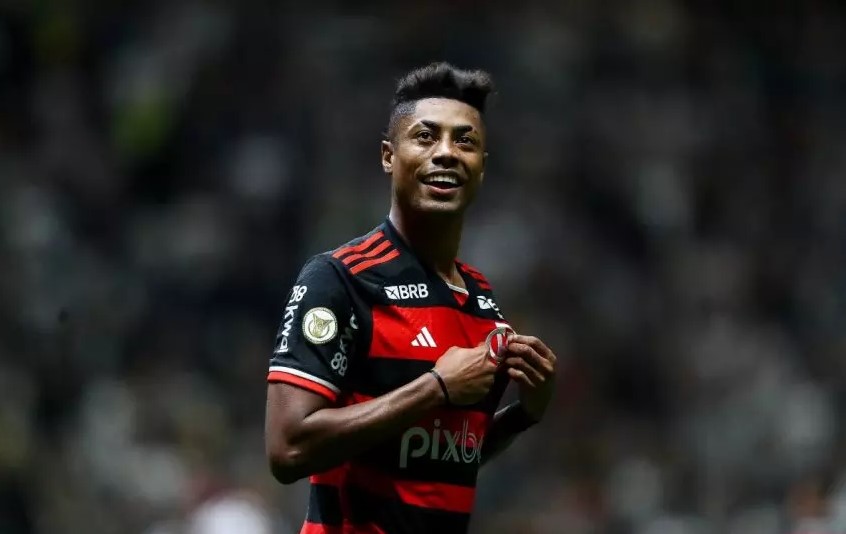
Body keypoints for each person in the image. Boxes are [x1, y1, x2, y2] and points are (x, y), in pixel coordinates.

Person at [264, 61, 557, 534]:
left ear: (482, 167)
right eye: (425, 137)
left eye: (465, 142)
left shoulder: (481, 300)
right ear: (389, 156)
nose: (446, 153)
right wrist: (435, 388)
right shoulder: (341, 279)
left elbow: (441, 457)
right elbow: (287, 449)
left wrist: (523, 415)